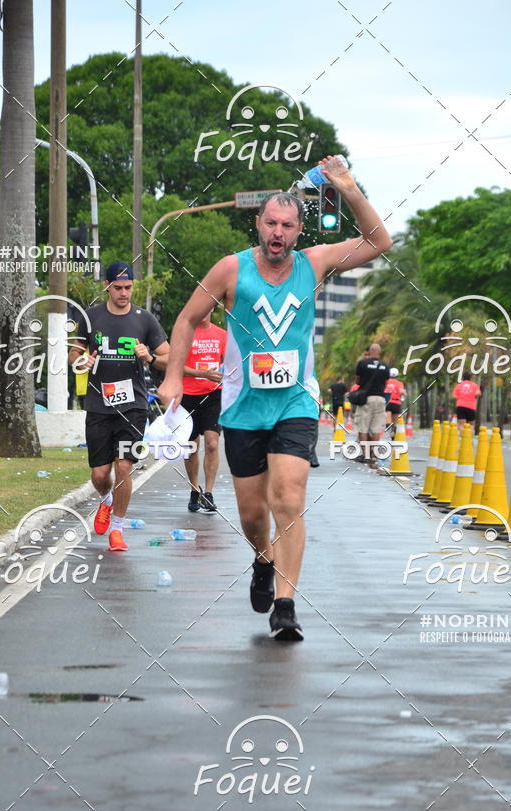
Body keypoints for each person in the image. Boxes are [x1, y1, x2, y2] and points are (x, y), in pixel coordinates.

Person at [159, 156, 392, 640]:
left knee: (288, 496)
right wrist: (175, 378)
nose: (278, 232)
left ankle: (286, 604)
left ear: (299, 229)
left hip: (296, 402)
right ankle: (262, 559)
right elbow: (185, 319)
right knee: (251, 513)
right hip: (243, 408)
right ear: (258, 225)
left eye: (287, 224)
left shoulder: (316, 262)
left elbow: (378, 243)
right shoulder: (229, 270)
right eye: (270, 223)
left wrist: (347, 186)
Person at [69, 261, 169, 551]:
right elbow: (74, 352)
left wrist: (148, 356)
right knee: (101, 474)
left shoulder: (144, 320)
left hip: (133, 407)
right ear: (107, 287)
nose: (124, 293)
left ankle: (117, 529)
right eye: (118, 288)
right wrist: (81, 360)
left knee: (124, 467)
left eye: (128, 287)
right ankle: (106, 500)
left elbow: (169, 356)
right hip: (99, 405)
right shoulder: (91, 317)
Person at [180, 312, 227, 513]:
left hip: (214, 395)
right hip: (187, 395)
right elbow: (175, 364)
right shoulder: (185, 333)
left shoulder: (222, 335)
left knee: (212, 442)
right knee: (190, 446)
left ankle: (208, 493)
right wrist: (202, 374)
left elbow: (231, 363)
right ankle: (194, 489)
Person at [353, 343, 390, 467]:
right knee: (376, 429)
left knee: (362, 427)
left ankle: (366, 455)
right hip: (380, 399)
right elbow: (385, 384)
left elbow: (357, 381)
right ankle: (374, 455)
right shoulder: (385, 366)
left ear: (369, 351)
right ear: (380, 352)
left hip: (366, 399)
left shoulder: (362, 364)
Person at [384, 366, 405, 440]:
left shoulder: (385, 382)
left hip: (387, 403)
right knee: (394, 422)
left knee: (388, 420)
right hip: (396, 403)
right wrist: (404, 394)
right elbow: (401, 391)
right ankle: (393, 435)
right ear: (397, 375)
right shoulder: (399, 383)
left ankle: (390, 432)